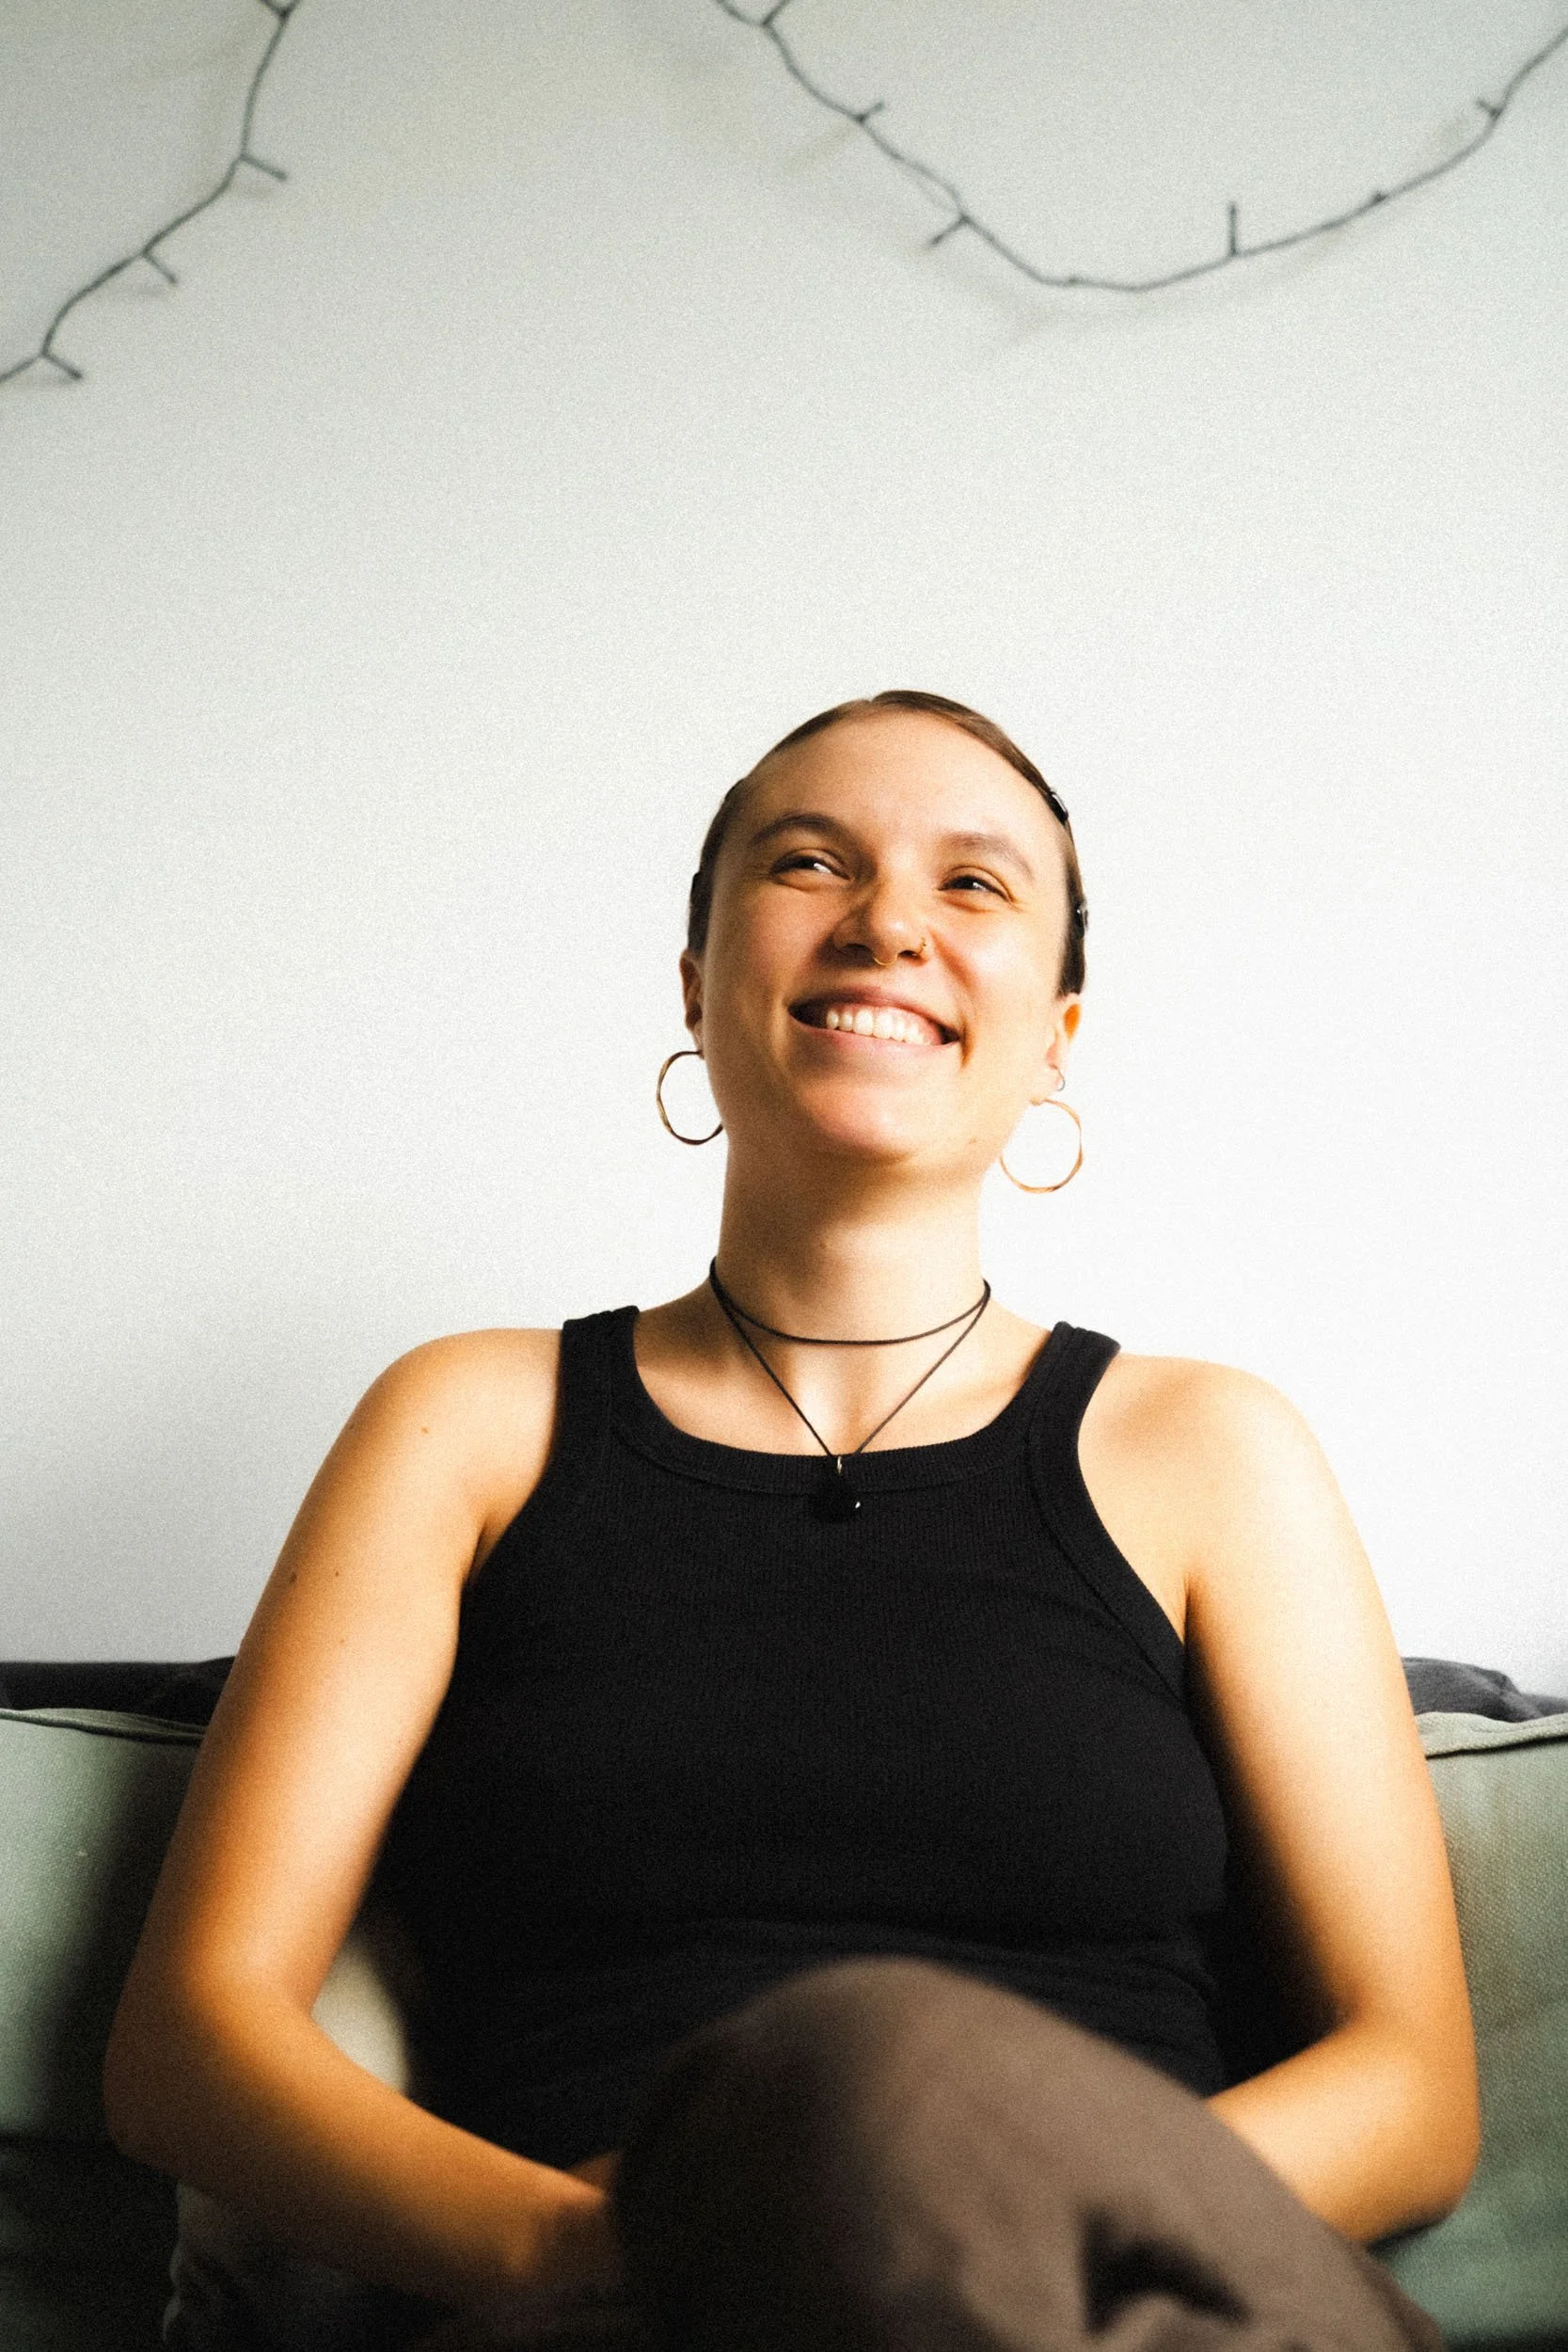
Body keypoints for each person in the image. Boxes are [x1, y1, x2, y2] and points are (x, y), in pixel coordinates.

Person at [105, 691, 1480, 2351]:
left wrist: (952, 2195)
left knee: (861, 2067)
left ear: (1056, 1032)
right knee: (813, 2101)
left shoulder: (1210, 1452)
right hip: (612, 2314)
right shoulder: (468, 1426)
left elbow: (1409, 2095)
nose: (889, 920)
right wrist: (615, 2246)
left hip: (1153, 2309)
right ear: (696, 985)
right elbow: (192, 2041)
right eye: (809, 861)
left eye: (973, 887)